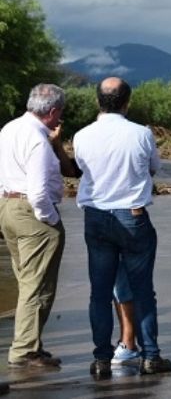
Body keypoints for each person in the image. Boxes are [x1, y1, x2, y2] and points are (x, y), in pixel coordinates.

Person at [73, 77, 171, 378]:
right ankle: (150, 356)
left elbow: (81, 169)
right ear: (127, 102)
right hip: (133, 214)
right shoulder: (142, 134)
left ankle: (102, 359)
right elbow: (153, 168)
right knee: (143, 289)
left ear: (97, 101)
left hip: (97, 216)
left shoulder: (82, 135)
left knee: (99, 292)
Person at [0, 84, 74, 369]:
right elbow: (39, 191)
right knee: (36, 284)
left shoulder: (9, 128)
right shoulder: (38, 139)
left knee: (26, 281)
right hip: (32, 213)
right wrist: (50, 219)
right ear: (53, 111)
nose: (60, 120)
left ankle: (30, 344)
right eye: (60, 114)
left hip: (8, 206)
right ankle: (24, 351)